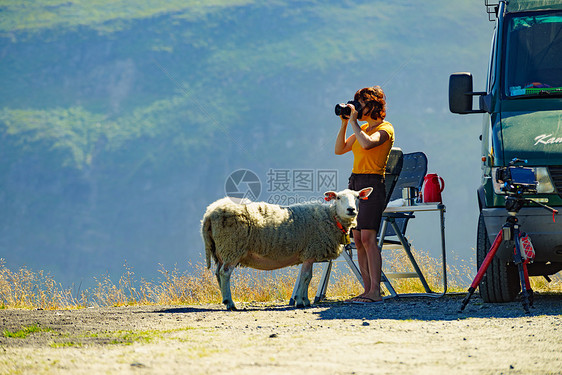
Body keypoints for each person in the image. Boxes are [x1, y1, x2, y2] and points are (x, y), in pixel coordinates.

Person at [334, 86, 395, 303]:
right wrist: (345, 124)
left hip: (372, 183)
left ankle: (375, 291)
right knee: (358, 238)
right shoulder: (363, 128)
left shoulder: (385, 129)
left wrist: (353, 123)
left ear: (373, 106)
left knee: (369, 238)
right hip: (355, 182)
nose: (357, 108)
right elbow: (339, 149)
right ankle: (367, 289)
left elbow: (368, 145)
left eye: (361, 103)